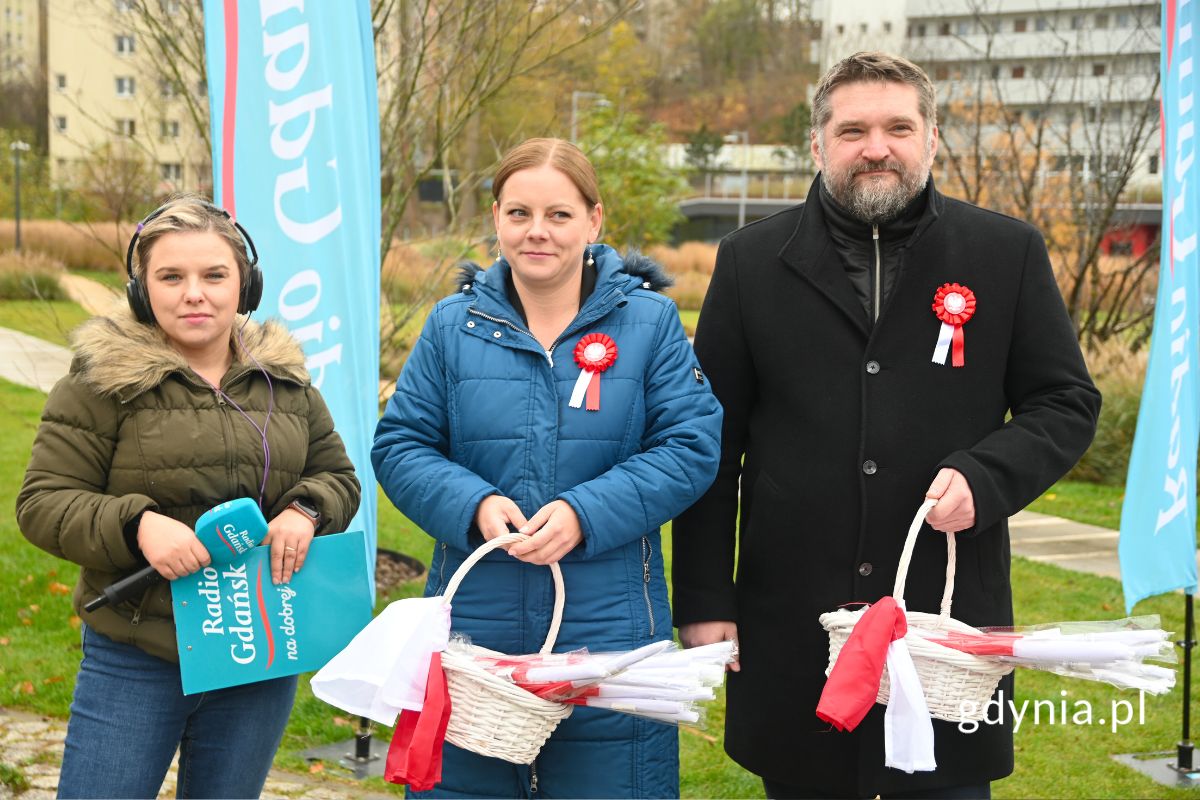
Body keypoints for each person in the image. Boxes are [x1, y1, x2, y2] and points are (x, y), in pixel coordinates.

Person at [672, 52, 1101, 799]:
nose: (877, 147)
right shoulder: (749, 262)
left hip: (945, 617)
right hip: (793, 622)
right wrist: (705, 599)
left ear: (932, 139)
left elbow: (1065, 401)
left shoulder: (1006, 253)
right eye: (854, 130)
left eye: (899, 127)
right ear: (817, 144)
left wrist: (988, 474)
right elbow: (712, 441)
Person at [372, 137, 722, 798]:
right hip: (473, 633)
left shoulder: (649, 324)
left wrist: (586, 513)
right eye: (519, 213)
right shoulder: (451, 326)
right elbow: (401, 445)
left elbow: (691, 445)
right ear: (496, 219)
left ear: (594, 220)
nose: (538, 232)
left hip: (611, 630)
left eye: (559, 215)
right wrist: (472, 503)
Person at [16, 195, 361, 799]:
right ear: (140, 290)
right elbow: (43, 502)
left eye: (214, 275)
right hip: (139, 654)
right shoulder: (100, 383)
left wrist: (305, 509)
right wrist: (137, 525)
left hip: (258, 649)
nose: (193, 293)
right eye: (171, 277)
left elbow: (339, 477)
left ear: (245, 286)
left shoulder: (285, 381)